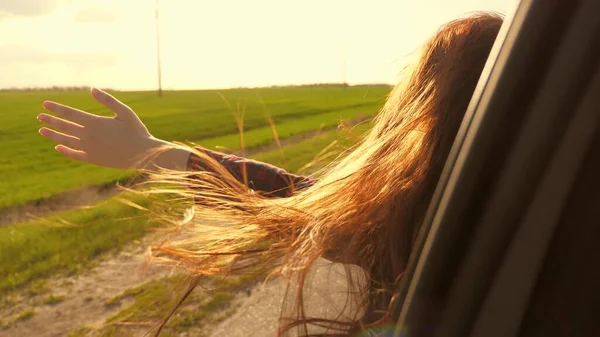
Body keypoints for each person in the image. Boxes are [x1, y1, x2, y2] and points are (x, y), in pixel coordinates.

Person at [37, 12, 503, 336]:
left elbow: (296, 201)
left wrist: (155, 153)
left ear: (421, 112)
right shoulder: (518, 201)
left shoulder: (413, 214)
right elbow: (306, 199)